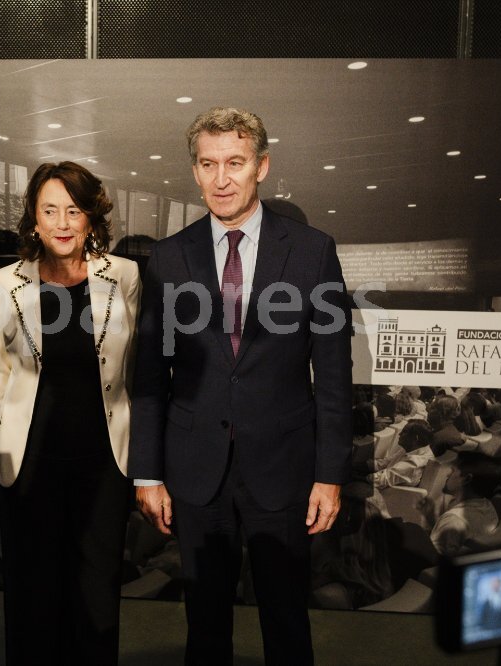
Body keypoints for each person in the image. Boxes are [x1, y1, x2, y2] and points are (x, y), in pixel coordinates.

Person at [129, 106, 353, 664]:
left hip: (282, 465)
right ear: (195, 171)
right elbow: (151, 378)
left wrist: (329, 476)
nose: (221, 178)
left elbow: (331, 376)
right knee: (204, 623)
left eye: (235, 162)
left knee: (285, 618)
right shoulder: (169, 256)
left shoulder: (311, 251)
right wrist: (149, 472)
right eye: (208, 164)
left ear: (262, 167)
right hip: (195, 466)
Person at [0, 161, 140, 664]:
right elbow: (1, 377)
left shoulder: (126, 276)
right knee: (32, 598)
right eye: (50, 210)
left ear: (92, 217)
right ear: (33, 218)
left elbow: (132, 371)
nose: (62, 222)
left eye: (74, 210)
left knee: (96, 597)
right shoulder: (2, 284)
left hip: (104, 464)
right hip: (30, 466)